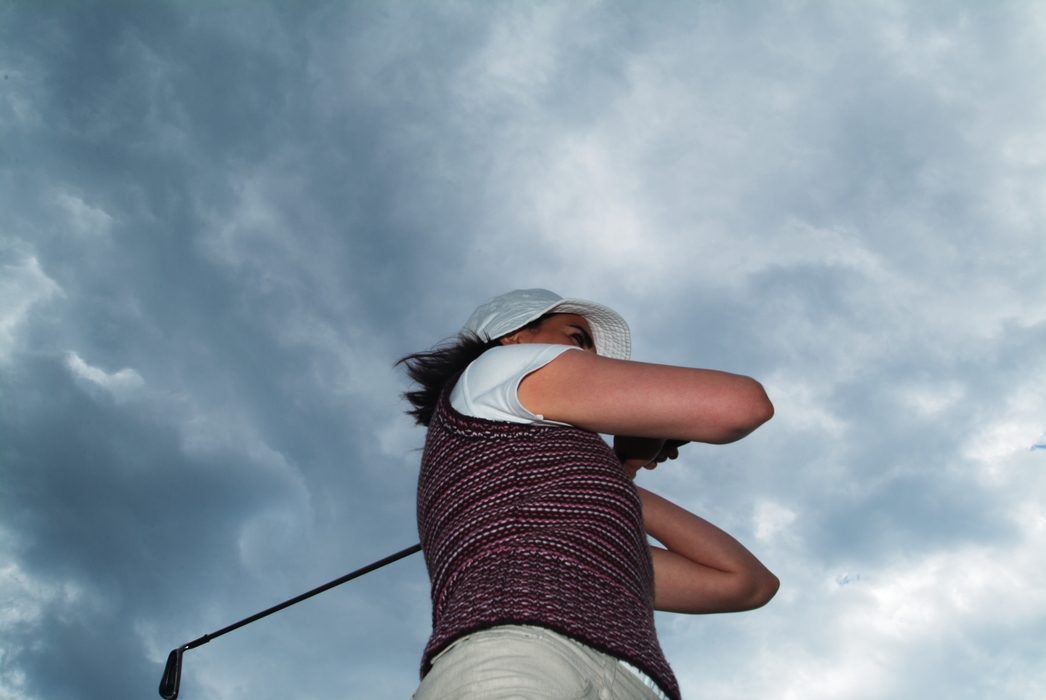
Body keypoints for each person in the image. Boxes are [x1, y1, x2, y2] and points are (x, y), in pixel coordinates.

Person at [399, 289, 778, 700]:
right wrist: (649, 433)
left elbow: (746, 584)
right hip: (519, 657)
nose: (592, 359)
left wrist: (622, 475)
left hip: (627, 683)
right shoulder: (493, 370)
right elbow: (741, 404)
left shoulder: (563, 512)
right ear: (514, 337)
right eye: (578, 339)